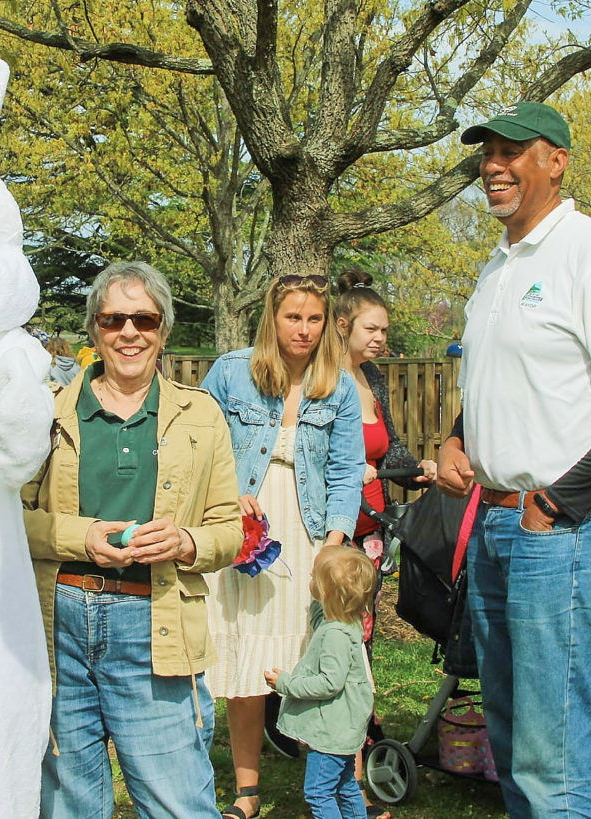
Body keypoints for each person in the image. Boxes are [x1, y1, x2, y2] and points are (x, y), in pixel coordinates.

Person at [439, 102, 591, 818]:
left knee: (550, 748)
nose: (493, 168)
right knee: (508, 740)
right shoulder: (497, 266)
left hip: (557, 534)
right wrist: (457, 434)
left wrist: (558, 501)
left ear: (556, 160)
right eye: (486, 155)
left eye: (511, 153)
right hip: (494, 530)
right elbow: (500, 379)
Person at [22, 261, 242, 819]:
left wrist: (186, 542)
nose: (129, 333)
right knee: (66, 802)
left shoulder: (202, 414)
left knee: (178, 803)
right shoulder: (45, 413)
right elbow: (8, 519)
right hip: (61, 626)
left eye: (143, 320)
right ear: (95, 329)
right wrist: (81, 537)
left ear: (163, 330)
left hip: (156, 624)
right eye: (114, 319)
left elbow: (229, 531)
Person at [201, 274, 365, 819]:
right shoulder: (230, 371)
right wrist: (228, 497)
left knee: (323, 656)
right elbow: (200, 447)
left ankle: (342, 787)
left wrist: (335, 542)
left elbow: (344, 471)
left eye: (314, 318)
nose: (304, 329)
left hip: (310, 530)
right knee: (246, 663)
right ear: (272, 318)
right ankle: (246, 792)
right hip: (244, 528)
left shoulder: (338, 385)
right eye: (293, 317)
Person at [333, 269, 436, 818]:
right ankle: (327, 729)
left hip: (371, 528)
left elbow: (390, 451)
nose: (381, 339)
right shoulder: (322, 378)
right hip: (329, 528)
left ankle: (360, 725)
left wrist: (418, 471)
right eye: (371, 329)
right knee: (329, 634)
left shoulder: (372, 378)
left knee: (362, 634)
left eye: (385, 330)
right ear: (343, 325)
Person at [264, 545, 376, 819]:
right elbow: (320, 617)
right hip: (345, 728)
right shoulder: (347, 622)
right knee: (346, 785)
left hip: (331, 734)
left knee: (318, 792)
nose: (309, 581)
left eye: (314, 577)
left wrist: (285, 684)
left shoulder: (334, 635)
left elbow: (329, 683)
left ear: (325, 592)